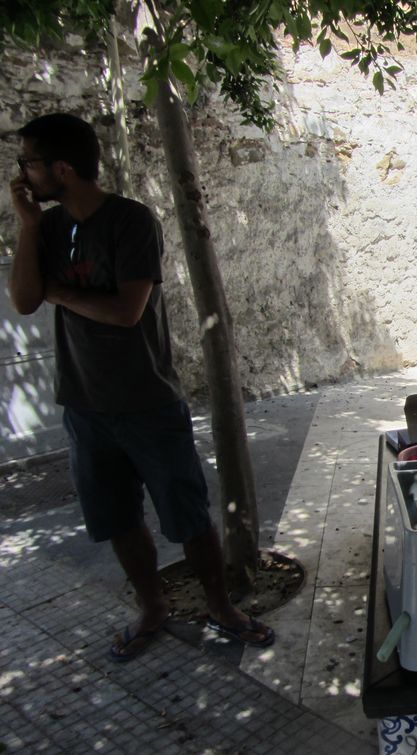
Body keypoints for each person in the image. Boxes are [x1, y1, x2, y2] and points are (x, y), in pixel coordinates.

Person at [8, 113, 273, 661]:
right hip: (84, 405)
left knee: (187, 515)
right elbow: (26, 299)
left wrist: (61, 292)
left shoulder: (130, 221)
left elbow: (126, 311)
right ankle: (152, 608)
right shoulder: (48, 228)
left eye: (28, 162)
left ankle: (221, 608)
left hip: (147, 401)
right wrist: (28, 226)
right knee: (117, 519)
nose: (22, 174)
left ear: (62, 168)